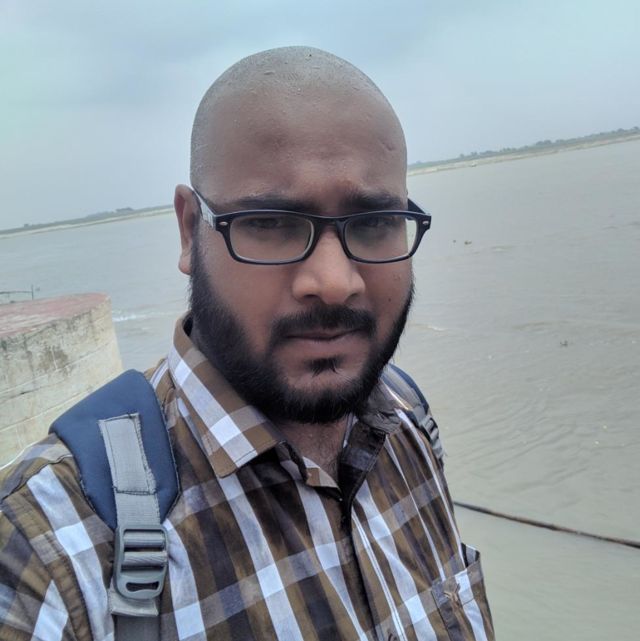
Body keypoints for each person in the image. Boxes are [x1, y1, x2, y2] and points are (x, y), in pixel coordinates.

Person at [0, 47, 493, 640]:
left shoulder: (409, 421)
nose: (333, 282)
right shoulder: (49, 553)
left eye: (374, 222)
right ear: (190, 230)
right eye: (270, 222)